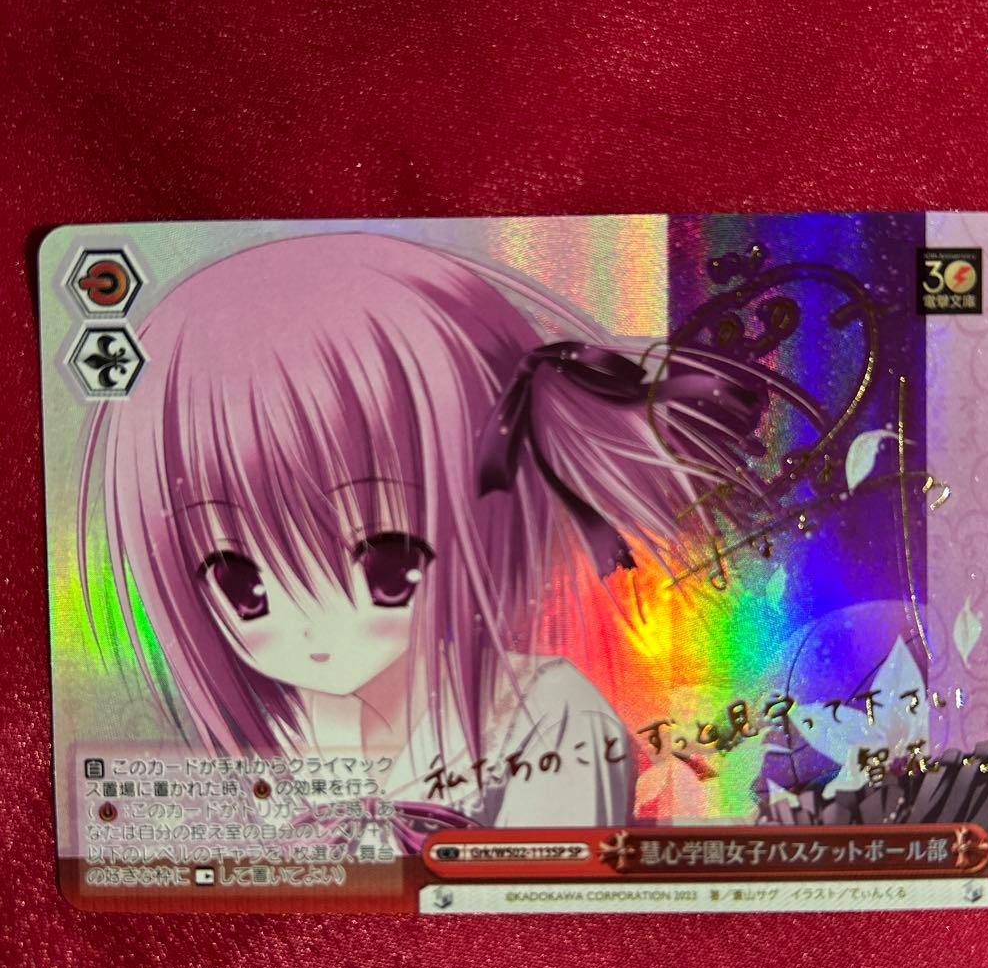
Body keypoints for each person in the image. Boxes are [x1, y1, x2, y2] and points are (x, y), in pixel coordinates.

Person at [78, 232, 767, 849]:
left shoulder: (547, 716)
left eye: (387, 566)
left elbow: (544, 917)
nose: (313, 625)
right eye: (242, 584)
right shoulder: (263, 742)